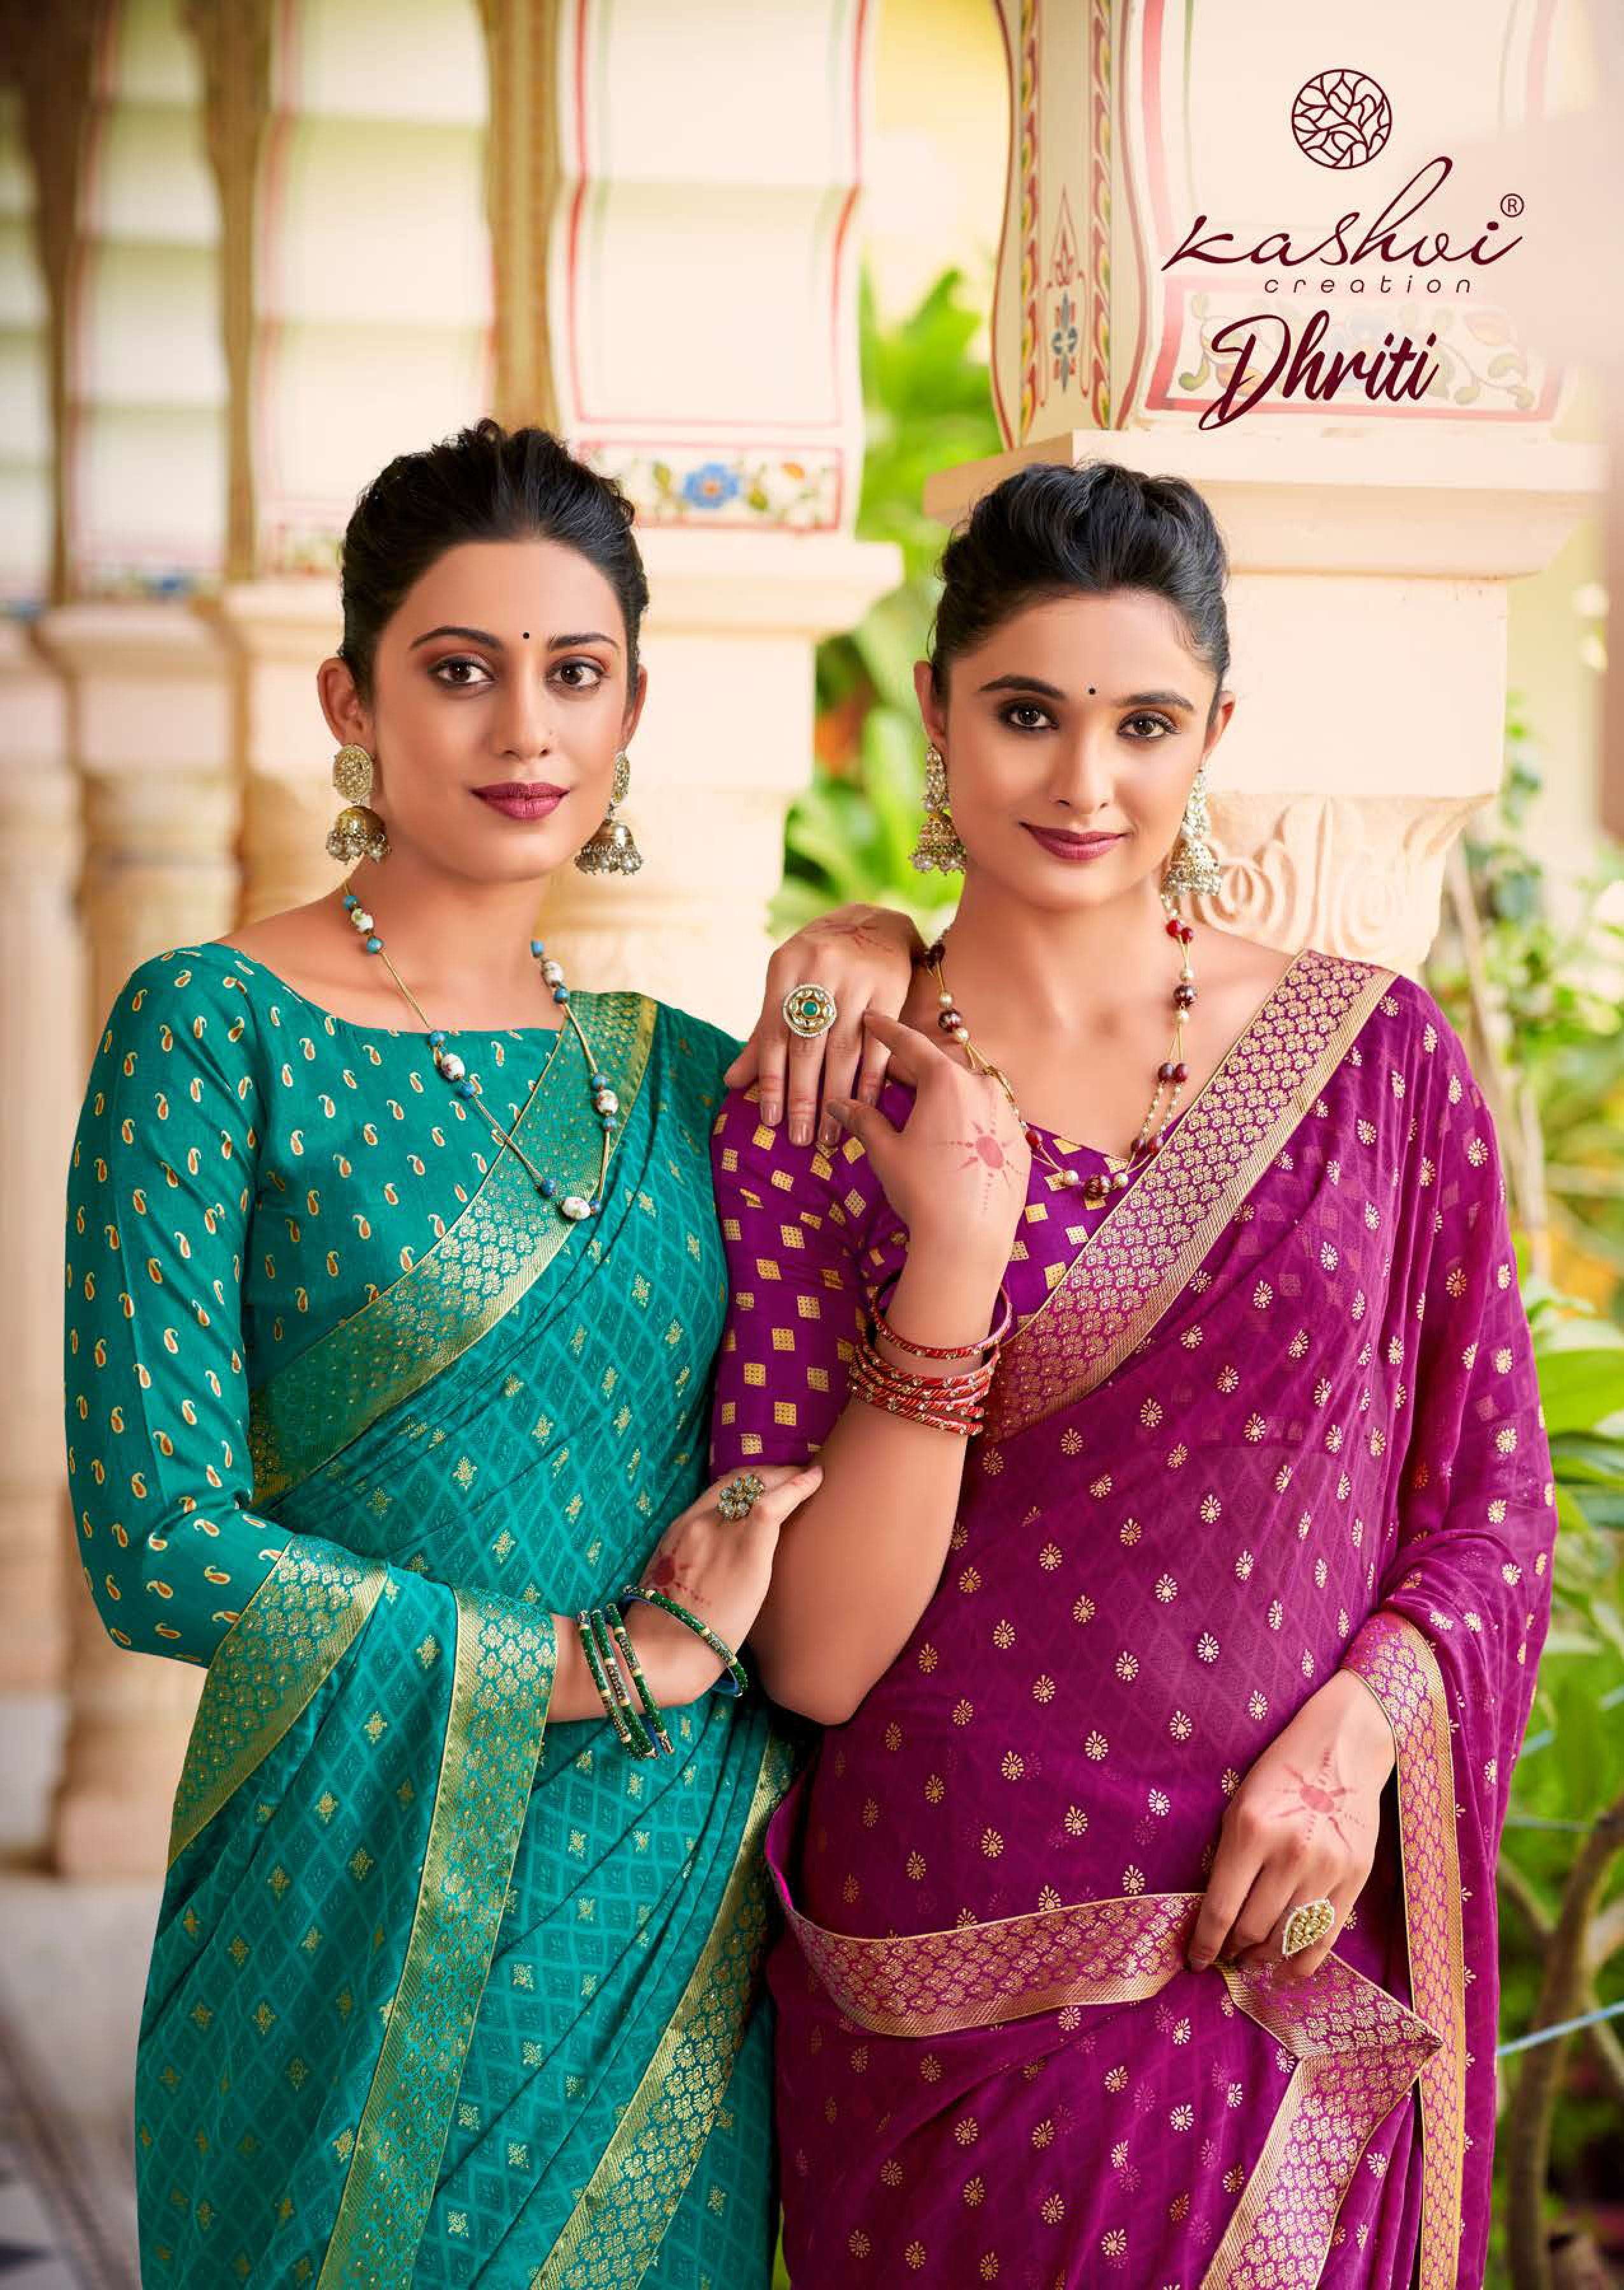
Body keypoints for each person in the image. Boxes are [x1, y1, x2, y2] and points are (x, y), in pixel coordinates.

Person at [62, 419, 920, 2286]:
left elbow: (975, 1217)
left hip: (662, 1927)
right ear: (349, 704)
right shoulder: (213, 1030)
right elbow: (156, 1548)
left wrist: (880, 941)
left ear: (632, 713)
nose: (525, 729)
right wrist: (606, 1663)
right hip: (336, 1911)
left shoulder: (683, 1079)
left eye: (575, 674)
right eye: (460, 672)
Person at [709, 459, 1555, 2288]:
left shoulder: (1374, 1063)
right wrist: (953, 1259)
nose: (1083, 783)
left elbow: (1491, 1508)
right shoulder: (821, 1095)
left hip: (1280, 1941)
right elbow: (816, 1660)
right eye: (1025, 713)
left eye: (1143, 724)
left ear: (1214, 733)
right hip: (946, 1972)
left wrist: (1360, 1728)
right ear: (935, 712)